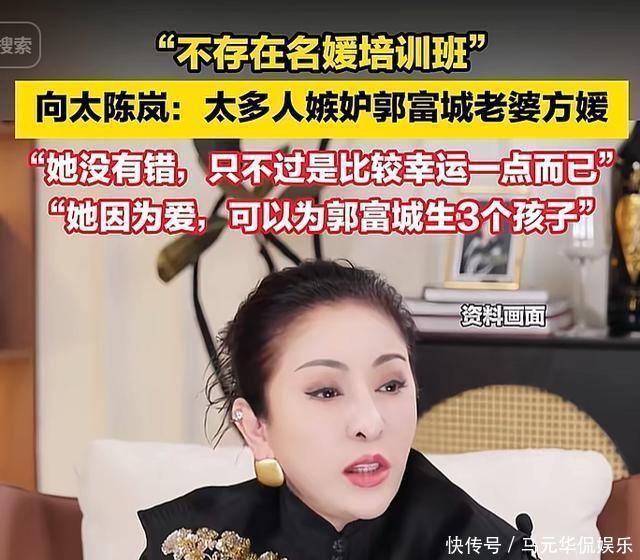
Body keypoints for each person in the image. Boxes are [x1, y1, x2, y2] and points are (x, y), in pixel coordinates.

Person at [137, 259, 538, 560]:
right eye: (327, 392)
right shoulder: (196, 543)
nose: (370, 423)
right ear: (257, 428)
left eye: (390, 385)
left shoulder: (481, 545)